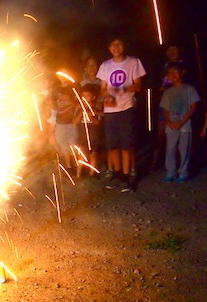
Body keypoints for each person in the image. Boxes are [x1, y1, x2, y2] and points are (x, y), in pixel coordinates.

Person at [96, 36, 146, 192]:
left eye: (119, 43)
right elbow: (103, 89)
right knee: (112, 146)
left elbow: (138, 86)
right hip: (110, 110)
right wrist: (107, 96)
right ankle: (118, 176)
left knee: (125, 146)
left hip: (126, 107)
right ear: (109, 48)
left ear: (124, 45)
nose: (116, 47)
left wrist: (125, 89)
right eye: (112, 44)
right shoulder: (105, 65)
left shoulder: (133, 62)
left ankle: (126, 178)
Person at [160, 62, 200, 183]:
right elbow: (165, 109)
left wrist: (182, 121)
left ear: (182, 72)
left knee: (184, 149)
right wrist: (169, 122)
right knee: (170, 149)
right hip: (171, 125)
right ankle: (171, 172)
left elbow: (194, 106)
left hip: (185, 125)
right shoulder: (168, 92)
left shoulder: (189, 89)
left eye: (175, 71)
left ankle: (183, 172)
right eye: (169, 73)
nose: (172, 75)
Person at [151, 45, 185, 171]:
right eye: (169, 50)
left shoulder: (184, 67)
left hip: (179, 104)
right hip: (164, 103)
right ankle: (156, 160)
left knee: (179, 133)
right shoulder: (163, 66)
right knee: (160, 133)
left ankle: (178, 162)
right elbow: (157, 82)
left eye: (174, 49)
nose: (171, 52)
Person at [73, 83, 103, 178]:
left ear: (93, 97)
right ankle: (78, 174)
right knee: (81, 154)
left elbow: (98, 123)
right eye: (83, 96)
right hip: (82, 136)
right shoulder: (79, 108)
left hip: (93, 136)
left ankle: (91, 173)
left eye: (88, 96)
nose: (85, 98)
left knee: (93, 154)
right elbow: (75, 122)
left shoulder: (97, 108)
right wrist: (81, 113)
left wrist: (91, 117)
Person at [53, 77, 79, 169]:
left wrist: (69, 100)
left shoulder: (73, 88)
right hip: (60, 122)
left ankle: (77, 165)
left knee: (73, 143)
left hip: (71, 121)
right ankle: (69, 166)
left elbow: (78, 102)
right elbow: (53, 103)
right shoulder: (56, 89)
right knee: (62, 142)